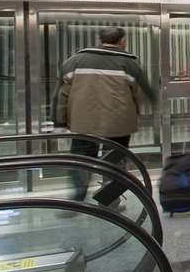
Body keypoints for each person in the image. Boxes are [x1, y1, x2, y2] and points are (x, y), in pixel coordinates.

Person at [55, 27, 155, 204]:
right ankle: (109, 202)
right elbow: (140, 92)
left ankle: (78, 198)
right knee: (115, 162)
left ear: (99, 39)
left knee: (82, 160)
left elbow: (63, 94)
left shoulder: (75, 61)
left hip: (83, 123)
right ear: (122, 41)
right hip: (118, 124)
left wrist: (60, 119)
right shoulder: (129, 64)